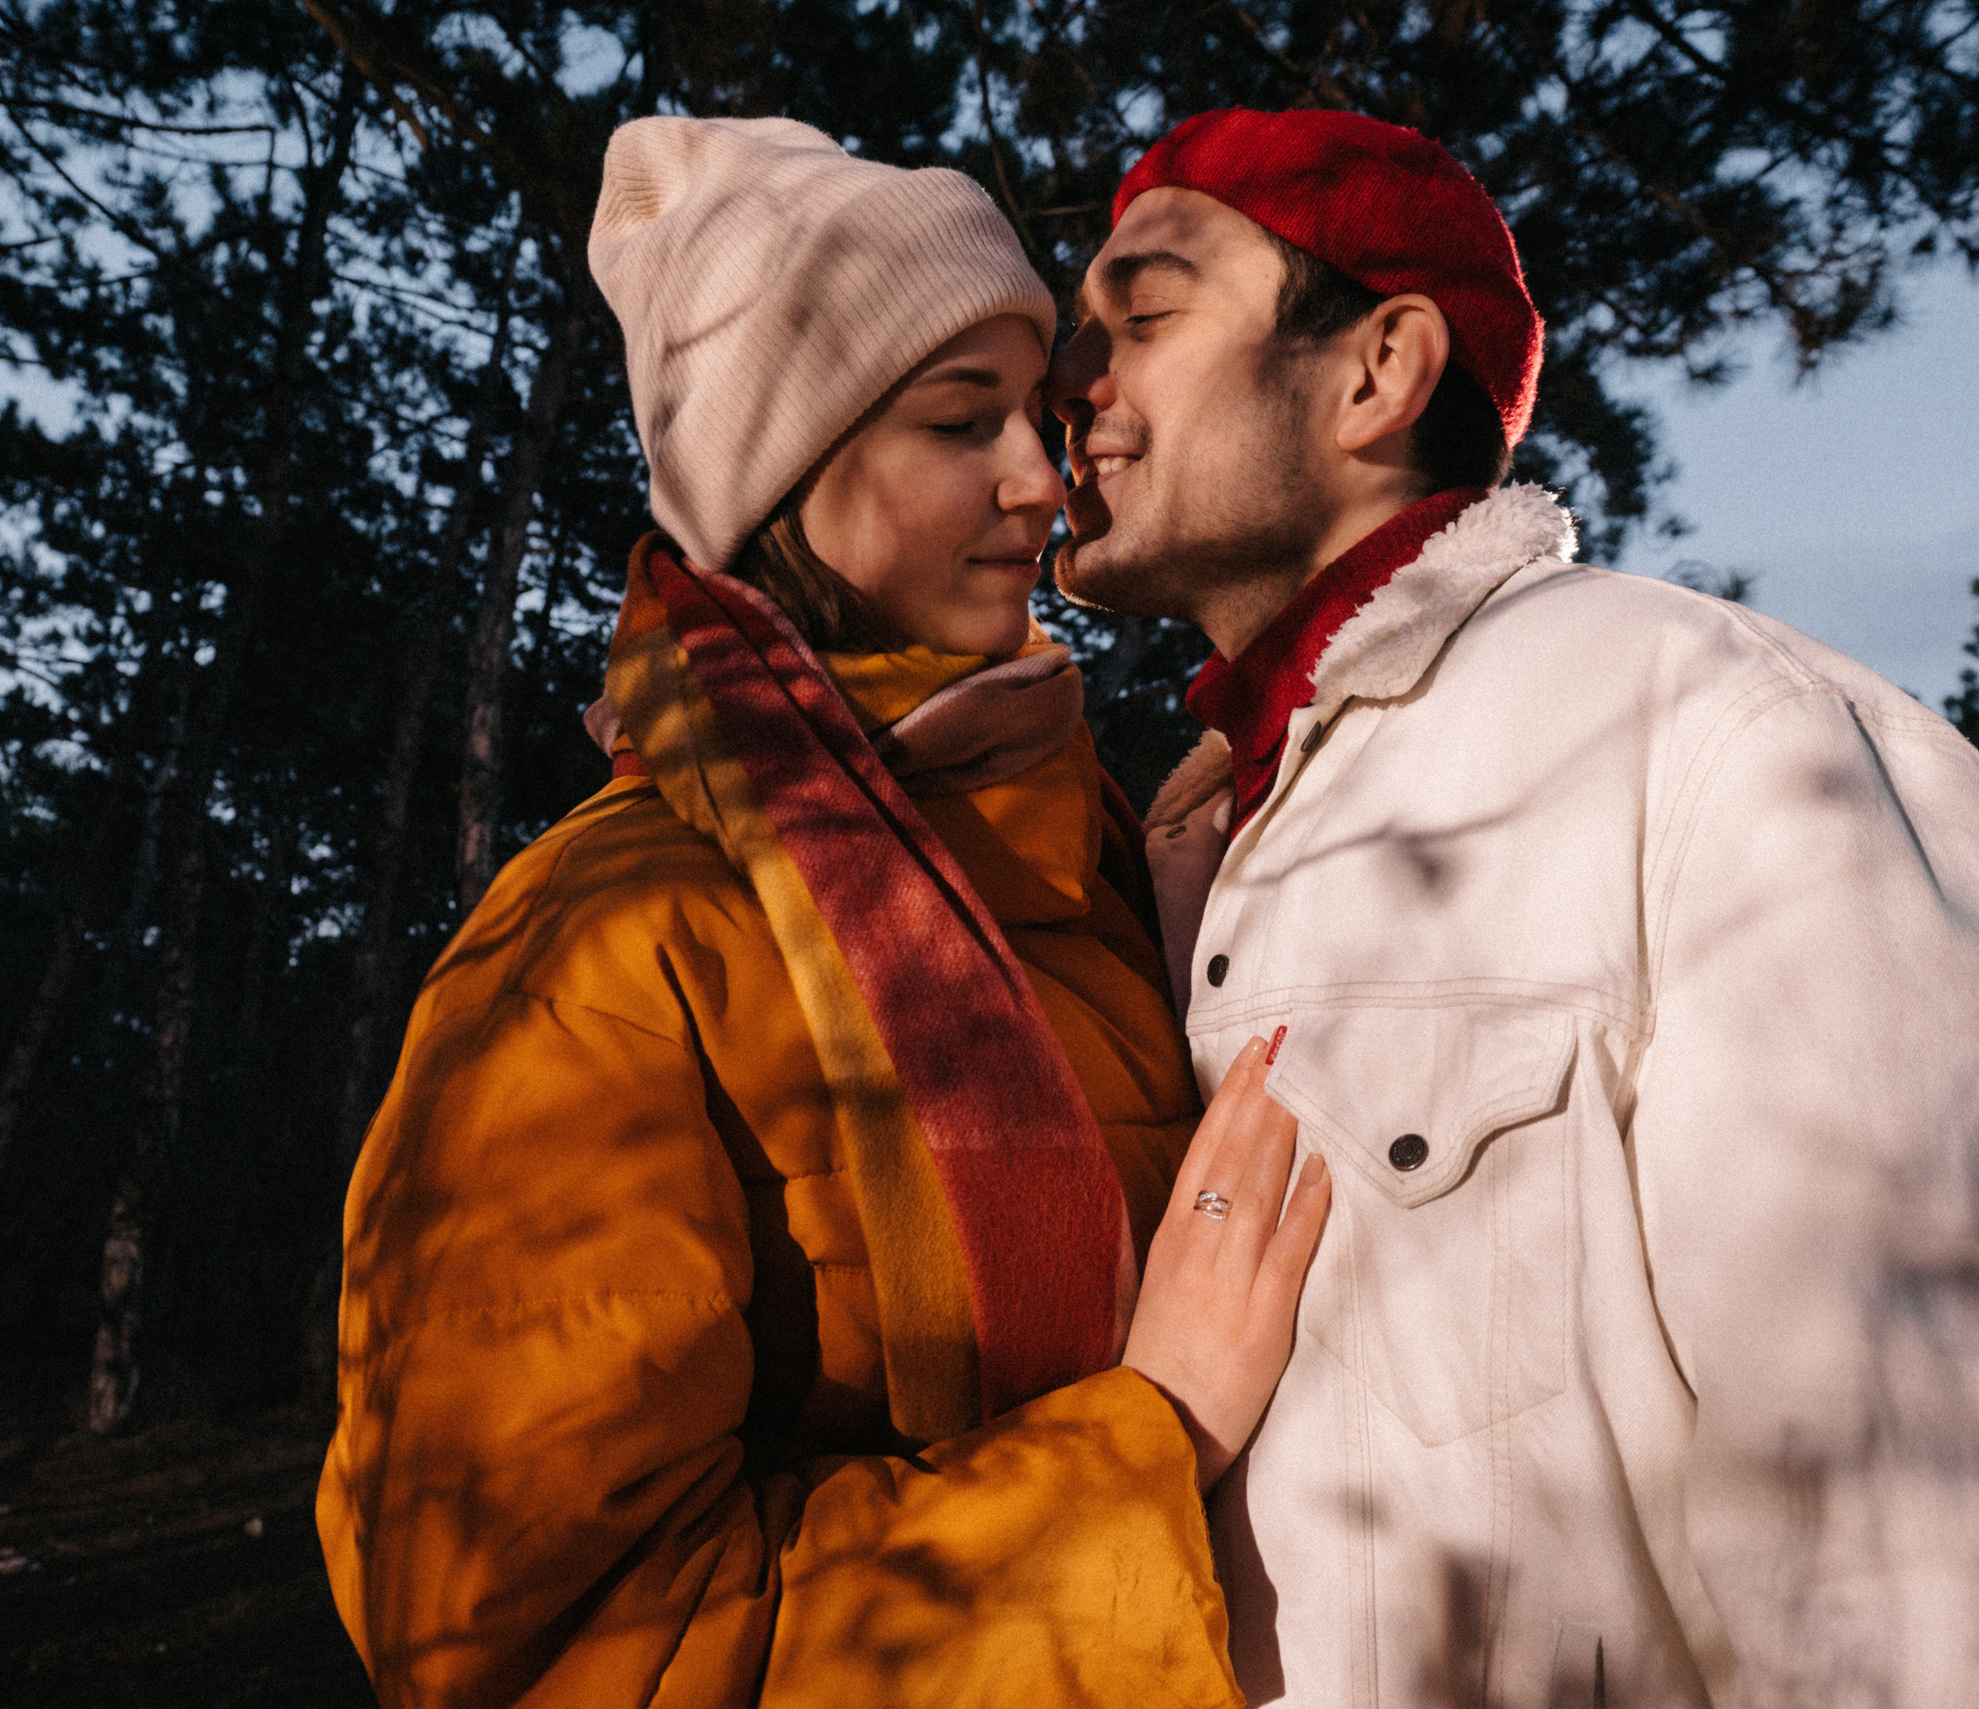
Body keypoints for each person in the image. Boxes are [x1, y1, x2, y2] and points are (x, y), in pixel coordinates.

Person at [1049, 107, 1979, 1707]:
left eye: (1148, 313)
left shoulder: (1727, 738)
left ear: (1379, 372)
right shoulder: (1177, 857)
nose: (1079, 384)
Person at [315, 116, 1329, 1708]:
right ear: (784, 474)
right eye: (959, 421)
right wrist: (1150, 1435)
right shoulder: (599, 954)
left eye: (1035, 412)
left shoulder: (1104, 867)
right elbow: (535, 1645)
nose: (1038, 476)